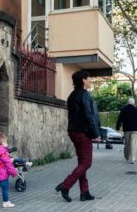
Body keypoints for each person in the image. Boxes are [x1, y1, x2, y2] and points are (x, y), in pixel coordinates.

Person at [55, 71, 100, 202]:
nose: (91, 80)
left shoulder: (72, 95)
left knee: (82, 163)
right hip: (83, 133)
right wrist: (96, 133)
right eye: (89, 78)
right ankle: (65, 185)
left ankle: (84, 192)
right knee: (87, 162)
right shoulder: (84, 94)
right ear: (83, 80)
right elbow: (88, 115)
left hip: (73, 132)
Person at [116, 98, 137, 164]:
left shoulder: (124, 109)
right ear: (133, 103)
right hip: (135, 130)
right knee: (133, 144)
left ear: (127, 103)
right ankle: (133, 159)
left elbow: (119, 119)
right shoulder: (136, 110)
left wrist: (117, 127)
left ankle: (127, 156)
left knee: (127, 144)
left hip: (126, 130)